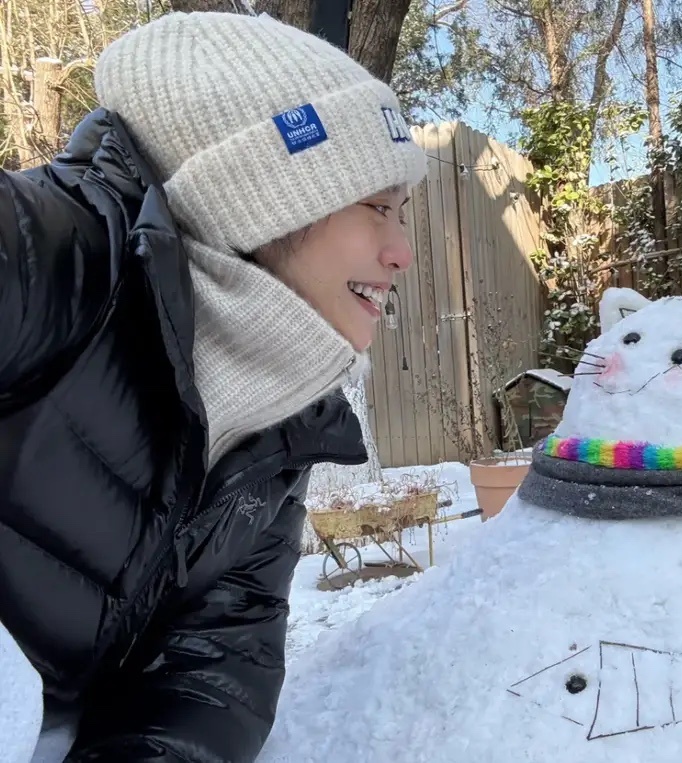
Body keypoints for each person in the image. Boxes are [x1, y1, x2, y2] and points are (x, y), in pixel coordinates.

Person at [0, 10, 426, 762]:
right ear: (264, 194)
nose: (403, 252)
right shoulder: (56, 255)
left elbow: (210, 671)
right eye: (377, 208)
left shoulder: (284, 418)